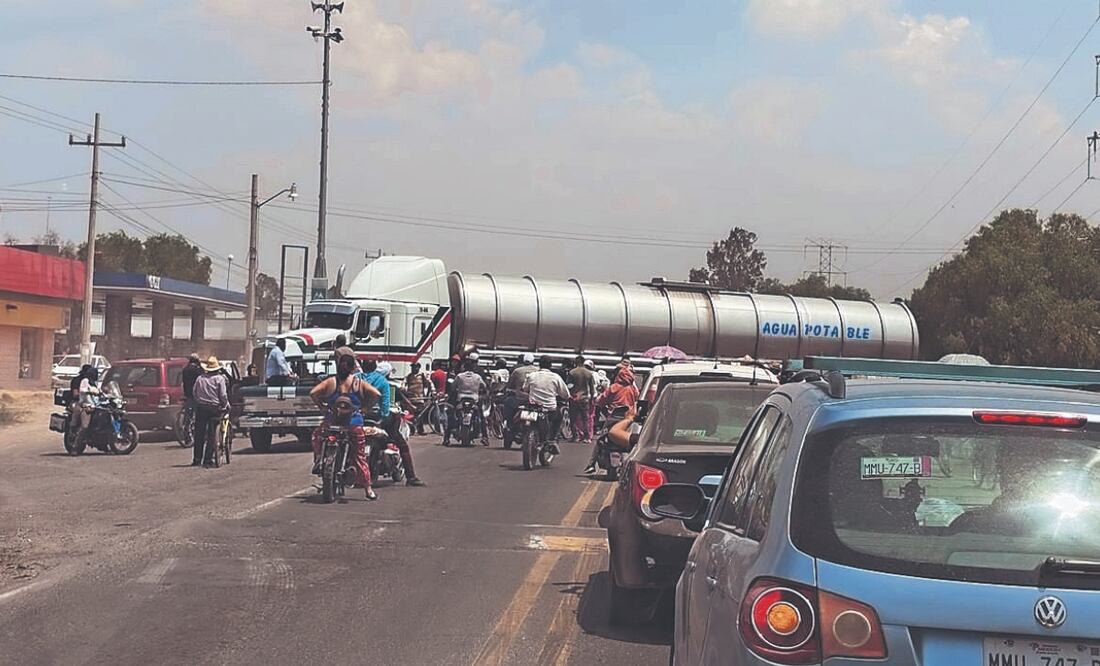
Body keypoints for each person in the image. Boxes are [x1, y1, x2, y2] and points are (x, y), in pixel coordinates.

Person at [310, 354, 382, 500]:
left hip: (331, 423)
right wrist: (365, 408)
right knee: (360, 456)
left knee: (316, 437)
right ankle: (368, 489)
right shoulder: (358, 383)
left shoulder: (331, 382)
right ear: (352, 368)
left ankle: (319, 460)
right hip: (353, 424)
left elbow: (313, 393)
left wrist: (322, 407)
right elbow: (376, 394)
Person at [377, 363, 426, 486]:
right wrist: (413, 408)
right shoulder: (391, 386)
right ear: (388, 374)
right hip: (389, 418)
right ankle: (411, 477)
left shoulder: (367, 382)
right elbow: (404, 400)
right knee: (402, 445)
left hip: (368, 416)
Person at [523, 356, 570, 453]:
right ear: (550, 366)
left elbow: (525, 388)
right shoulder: (555, 377)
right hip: (549, 409)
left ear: (539, 364)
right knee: (559, 416)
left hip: (532, 407)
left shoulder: (531, 376)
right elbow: (566, 394)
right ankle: (552, 440)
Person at [191, 356, 230, 468]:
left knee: (199, 434)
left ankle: (197, 459)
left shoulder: (200, 378)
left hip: (201, 407)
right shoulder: (219, 379)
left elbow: (195, 393)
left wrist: (200, 401)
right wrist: (225, 404)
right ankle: (208, 460)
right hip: (214, 408)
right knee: (212, 434)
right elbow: (223, 395)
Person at [446, 358, 488, 446]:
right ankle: (485, 437)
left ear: (464, 367)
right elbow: (484, 386)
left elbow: (453, 387)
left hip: (461, 399)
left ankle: (446, 438)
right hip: (474, 400)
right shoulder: (477, 377)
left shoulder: (459, 376)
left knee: (452, 416)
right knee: (481, 417)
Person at [567, 355, 597, 443]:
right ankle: (587, 437)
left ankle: (575, 436)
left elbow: (569, 385)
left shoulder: (572, 372)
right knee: (585, 419)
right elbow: (592, 388)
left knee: (573, 418)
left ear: (576, 362)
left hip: (574, 398)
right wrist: (592, 399)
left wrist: (571, 393)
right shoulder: (588, 373)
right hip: (585, 399)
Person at [180, 353, 203, 446]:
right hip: (196, 396)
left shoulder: (185, 369)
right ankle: (197, 436)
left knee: (188, 417)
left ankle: (186, 437)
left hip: (187, 395)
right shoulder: (197, 370)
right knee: (199, 416)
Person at [404, 362, 432, 435]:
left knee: (420, 415)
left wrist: (429, 393)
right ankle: (412, 430)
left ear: (418, 368)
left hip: (420, 398)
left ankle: (420, 430)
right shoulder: (409, 376)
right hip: (411, 399)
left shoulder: (422, 376)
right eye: (413, 367)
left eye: (415, 367)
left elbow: (429, 384)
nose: (414, 369)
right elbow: (404, 385)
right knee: (411, 416)